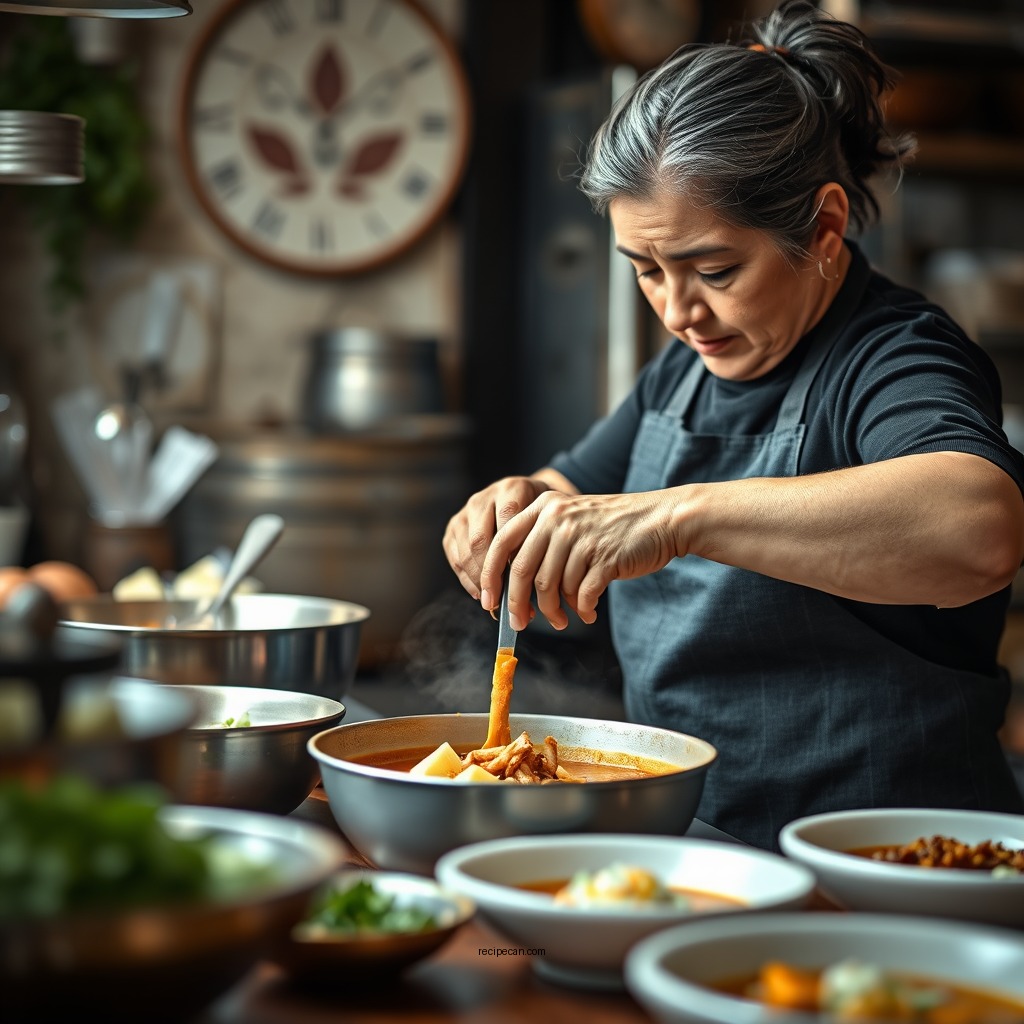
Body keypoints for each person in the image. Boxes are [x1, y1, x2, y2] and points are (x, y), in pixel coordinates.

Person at [443, 0, 1024, 850]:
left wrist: (681, 517)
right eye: (645, 269)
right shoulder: (685, 370)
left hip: (883, 867)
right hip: (699, 843)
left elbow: (980, 527)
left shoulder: (895, 357)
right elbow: (566, 497)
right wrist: (507, 512)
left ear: (824, 227)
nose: (678, 311)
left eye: (714, 268)